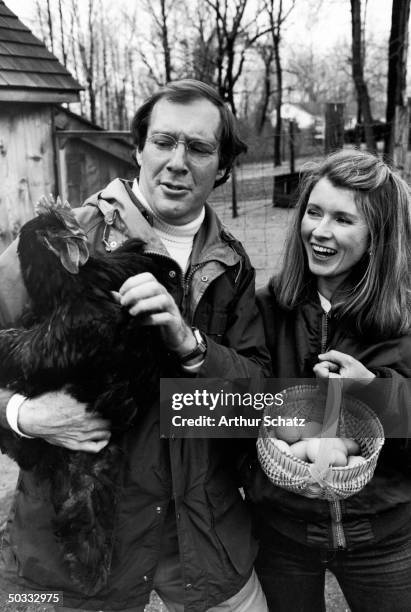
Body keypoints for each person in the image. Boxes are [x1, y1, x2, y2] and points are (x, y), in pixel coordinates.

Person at [0, 79, 270, 612]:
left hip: (201, 540)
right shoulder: (56, 241)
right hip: (73, 540)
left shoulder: (232, 266)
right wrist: (22, 414)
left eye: (198, 147)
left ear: (222, 166)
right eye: (164, 141)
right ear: (138, 148)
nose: (177, 161)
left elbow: (255, 401)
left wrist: (191, 346)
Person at [244, 150, 411, 612]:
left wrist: (372, 393)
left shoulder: (405, 322)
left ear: (378, 236)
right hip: (282, 536)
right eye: (314, 212)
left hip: (386, 538)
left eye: (343, 219)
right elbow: (222, 409)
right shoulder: (263, 310)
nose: (319, 231)